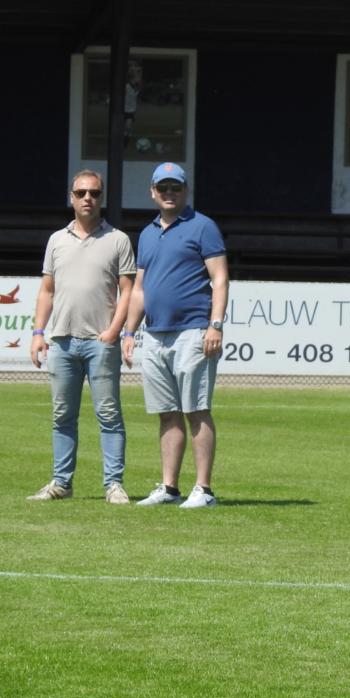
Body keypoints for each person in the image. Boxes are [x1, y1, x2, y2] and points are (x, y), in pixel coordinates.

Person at [122, 162, 228, 509]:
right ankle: (169, 487)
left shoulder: (203, 227)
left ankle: (204, 490)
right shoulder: (149, 232)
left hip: (193, 331)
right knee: (167, 412)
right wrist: (129, 331)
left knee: (196, 408)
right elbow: (139, 288)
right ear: (153, 192)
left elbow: (220, 279)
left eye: (176, 188)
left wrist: (215, 325)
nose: (169, 193)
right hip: (155, 334)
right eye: (163, 188)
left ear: (185, 191)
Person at [28, 170, 136, 504]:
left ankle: (113, 484)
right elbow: (47, 290)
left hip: (100, 342)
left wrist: (113, 331)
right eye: (81, 193)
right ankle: (62, 483)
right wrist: (37, 333)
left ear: (102, 198)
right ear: (71, 197)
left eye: (94, 193)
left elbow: (128, 290)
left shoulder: (118, 239)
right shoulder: (56, 240)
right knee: (62, 416)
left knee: (109, 414)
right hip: (61, 341)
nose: (87, 198)